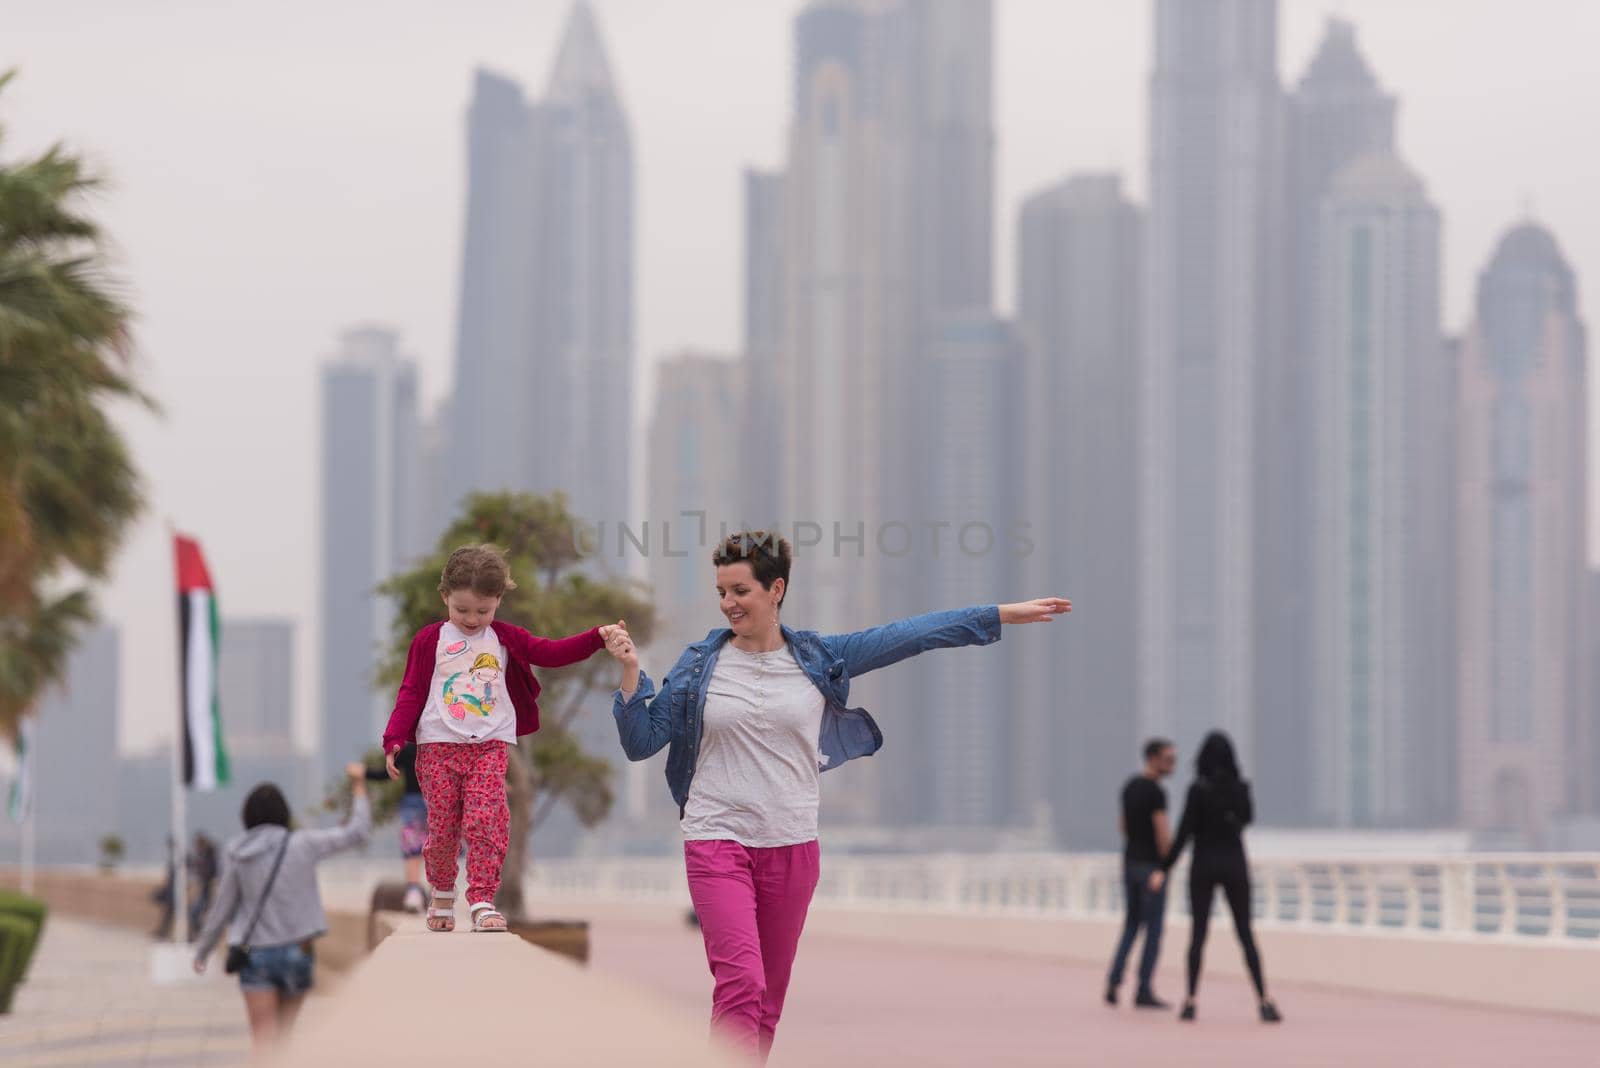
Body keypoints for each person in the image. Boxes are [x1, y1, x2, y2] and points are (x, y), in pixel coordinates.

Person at [604, 531, 1071, 1062]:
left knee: (767, 1002)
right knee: (741, 983)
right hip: (716, 840)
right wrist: (630, 675)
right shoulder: (697, 666)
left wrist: (999, 614)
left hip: (792, 844)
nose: (727, 604)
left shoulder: (821, 657)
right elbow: (642, 742)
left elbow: (910, 635)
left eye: (740, 591)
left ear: (775, 589)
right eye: (721, 592)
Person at [379, 543, 622, 933]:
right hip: (438, 748)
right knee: (442, 829)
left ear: (498, 601)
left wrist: (596, 637)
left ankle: (481, 899)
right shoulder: (429, 641)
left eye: (483, 610)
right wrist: (394, 738)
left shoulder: (505, 639)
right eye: (461, 610)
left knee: (486, 820)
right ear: (445, 597)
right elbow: (410, 691)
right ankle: (442, 892)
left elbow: (551, 652)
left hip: (489, 746)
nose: (472, 619)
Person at [192, 766, 371, 1047]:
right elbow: (356, 833)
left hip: (256, 955)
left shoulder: (237, 852)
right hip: (297, 950)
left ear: (247, 816)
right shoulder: (304, 844)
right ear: (283, 813)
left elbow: (222, 908)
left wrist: (202, 950)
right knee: (283, 1042)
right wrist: (359, 787)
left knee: (263, 1041)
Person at [1154, 730, 1282, 1023]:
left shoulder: (1197, 789)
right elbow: (1248, 820)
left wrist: (1164, 868)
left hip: (1204, 864)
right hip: (1234, 863)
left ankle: (1190, 1000)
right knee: (1245, 933)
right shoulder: (1241, 788)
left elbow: (1185, 832)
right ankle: (1263, 999)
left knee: (1198, 935)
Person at [1105, 738, 1176, 1008]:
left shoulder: (1130, 787)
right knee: (1154, 930)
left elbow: (1122, 824)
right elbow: (1162, 832)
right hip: (1150, 868)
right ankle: (1143, 989)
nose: (1172, 765)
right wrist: (1165, 864)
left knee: (1132, 925)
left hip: (1130, 862)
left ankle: (1114, 980)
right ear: (1153, 758)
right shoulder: (1156, 792)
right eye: (1168, 759)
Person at [366, 742, 428, 911]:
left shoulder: (407, 748)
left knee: (412, 849)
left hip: (413, 802)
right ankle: (440, 892)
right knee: (441, 846)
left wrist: (364, 773)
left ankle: (414, 892)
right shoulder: (441, 744)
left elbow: (386, 773)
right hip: (439, 798)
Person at [187, 832, 220, 942]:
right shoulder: (205, 856)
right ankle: (199, 936)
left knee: (194, 914)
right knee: (195, 914)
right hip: (204, 890)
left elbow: (210, 872)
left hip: (206, 890)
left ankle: (201, 936)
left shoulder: (209, 856)